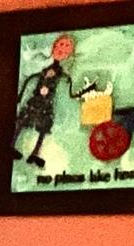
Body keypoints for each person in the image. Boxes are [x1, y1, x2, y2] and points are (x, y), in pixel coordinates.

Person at [15, 33, 90, 169]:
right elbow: (31, 78)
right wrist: (20, 95)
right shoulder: (45, 69)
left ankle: (35, 153)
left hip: (46, 104)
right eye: (61, 45)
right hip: (36, 100)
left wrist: (80, 94)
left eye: (67, 47)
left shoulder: (63, 74)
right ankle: (12, 145)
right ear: (54, 46)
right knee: (23, 121)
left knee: (43, 128)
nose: (63, 49)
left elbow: (71, 92)